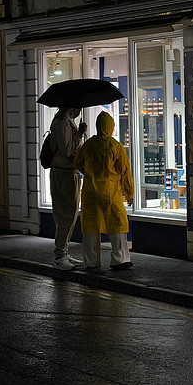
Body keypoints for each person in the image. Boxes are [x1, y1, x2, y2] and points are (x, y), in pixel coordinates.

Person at [73, 111, 134, 270]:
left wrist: (88, 173)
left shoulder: (89, 145)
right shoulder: (116, 146)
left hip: (91, 192)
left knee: (91, 226)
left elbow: (77, 162)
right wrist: (129, 193)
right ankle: (119, 259)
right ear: (111, 126)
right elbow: (125, 171)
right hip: (111, 191)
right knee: (117, 224)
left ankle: (91, 261)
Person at [49, 107, 87, 270]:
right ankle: (60, 256)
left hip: (65, 172)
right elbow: (67, 151)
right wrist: (80, 133)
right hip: (65, 173)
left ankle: (63, 252)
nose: (80, 109)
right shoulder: (62, 123)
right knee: (67, 214)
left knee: (67, 215)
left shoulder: (63, 122)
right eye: (78, 106)